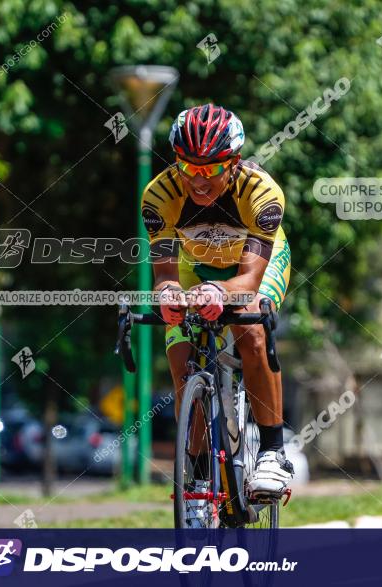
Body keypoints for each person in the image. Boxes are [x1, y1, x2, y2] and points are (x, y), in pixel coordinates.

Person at [141, 104, 293, 527]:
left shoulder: (262, 193)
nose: (198, 179)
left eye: (211, 168)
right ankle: (200, 478)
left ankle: (272, 453)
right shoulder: (159, 195)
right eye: (188, 166)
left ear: (234, 161)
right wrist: (169, 295)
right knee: (179, 351)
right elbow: (167, 274)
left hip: (251, 265)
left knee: (251, 331)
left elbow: (247, 278)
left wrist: (220, 291)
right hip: (195, 264)